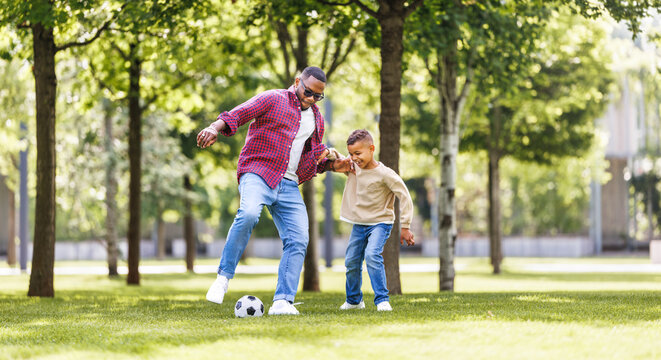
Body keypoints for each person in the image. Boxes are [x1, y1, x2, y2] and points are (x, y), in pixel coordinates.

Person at [196, 66, 351, 315]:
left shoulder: (317, 119)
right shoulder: (273, 98)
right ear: (298, 81)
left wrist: (334, 165)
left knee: (299, 238)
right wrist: (214, 128)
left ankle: (282, 301)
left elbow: (311, 160)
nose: (311, 99)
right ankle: (223, 279)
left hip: (288, 183)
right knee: (248, 214)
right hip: (258, 172)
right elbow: (238, 113)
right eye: (308, 92)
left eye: (317, 96)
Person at [332, 129, 415, 312]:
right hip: (359, 224)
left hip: (380, 223)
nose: (354, 158)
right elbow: (337, 159)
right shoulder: (354, 166)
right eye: (352, 153)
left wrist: (405, 226)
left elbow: (405, 196)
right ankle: (354, 300)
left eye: (358, 153)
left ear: (371, 149)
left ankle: (382, 300)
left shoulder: (385, 174)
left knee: (371, 255)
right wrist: (329, 153)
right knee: (351, 261)